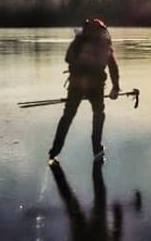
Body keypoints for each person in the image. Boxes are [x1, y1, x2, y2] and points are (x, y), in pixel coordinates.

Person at [49, 18, 120, 162]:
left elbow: (68, 59)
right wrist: (116, 87)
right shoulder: (104, 42)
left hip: (76, 84)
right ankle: (97, 149)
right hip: (95, 85)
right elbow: (112, 66)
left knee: (68, 115)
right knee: (98, 113)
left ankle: (55, 150)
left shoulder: (79, 41)